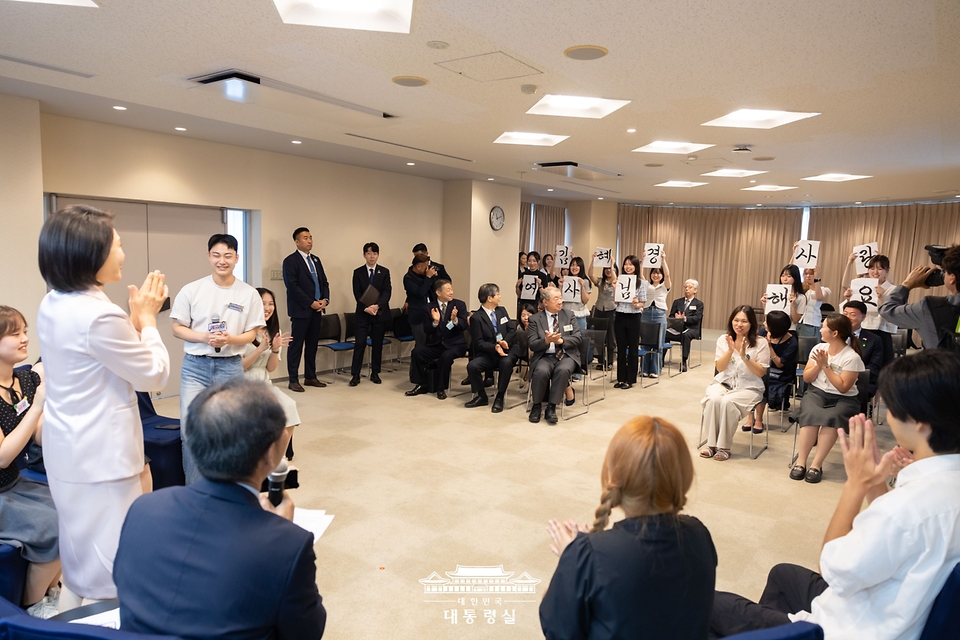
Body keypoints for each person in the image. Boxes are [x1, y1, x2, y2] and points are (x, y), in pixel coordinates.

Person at [710, 350, 960, 640]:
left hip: (849, 627)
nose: (888, 414)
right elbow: (903, 536)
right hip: (895, 608)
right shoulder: (936, 488)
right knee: (783, 575)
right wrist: (877, 484)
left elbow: (833, 570)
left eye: (892, 407)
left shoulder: (906, 508)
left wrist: (855, 485)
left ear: (920, 422)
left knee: (712, 604)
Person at [114, 378, 326, 640]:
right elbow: (307, 632)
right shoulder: (288, 545)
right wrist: (279, 531)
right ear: (271, 454)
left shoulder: (143, 508)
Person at [36, 205, 170, 608]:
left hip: (69, 452)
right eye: (118, 245)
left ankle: (65, 628)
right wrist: (147, 320)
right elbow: (153, 375)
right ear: (89, 255)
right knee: (112, 573)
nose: (123, 254)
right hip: (101, 459)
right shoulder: (97, 314)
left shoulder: (54, 302)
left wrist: (130, 322)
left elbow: (99, 360)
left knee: (79, 563)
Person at [539, 416, 717, 640]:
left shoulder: (589, 556)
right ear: (684, 476)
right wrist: (581, 555)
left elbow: (558, 630)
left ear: (615, 477)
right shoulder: (699, 534)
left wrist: (571, 559)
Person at [171, 233, 264, 485]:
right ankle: (195, 490)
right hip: (195, 367)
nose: (222, 261)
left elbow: (252, 333)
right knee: (190, 430)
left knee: (231, 430)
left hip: (230, 367)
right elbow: (177, 328)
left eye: (227, 255)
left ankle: (227, 489)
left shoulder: (248, 293)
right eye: (216, 255)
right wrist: (203, 337)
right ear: (208, 256)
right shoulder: (192, 289)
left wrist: (229, 340)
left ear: (236, 258)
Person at [0, 307, 60, 618]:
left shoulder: (24, 378)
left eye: (25, 331)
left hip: (14, 483)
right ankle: (32, 606)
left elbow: (36, 437)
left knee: (73, 511)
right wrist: (38, 407)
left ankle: (52, 591)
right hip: (1, 490)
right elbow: (4, 456)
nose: (25, 339)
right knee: (53, 525)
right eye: (15, 334)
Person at [789, 314, 865, 484]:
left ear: (835, 333)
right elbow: (807, 379)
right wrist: (818, 364)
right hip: (816, 392)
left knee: (832, 418)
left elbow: (843, 387)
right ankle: (801, 461)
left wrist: (826, 366)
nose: (821, 329)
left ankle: (816, 464)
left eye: (824, 327)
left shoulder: (852, 357)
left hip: (844, 398)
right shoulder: (818, 348)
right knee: (810, 414)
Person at [700, 306, 771, 461]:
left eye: (744, 321)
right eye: (736, 320)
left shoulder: (761, 343)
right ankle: (711, 444)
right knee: (713, 399)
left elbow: (760, 373)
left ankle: (724, 447)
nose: (739, 324)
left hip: (749, 387)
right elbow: (720, 368)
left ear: (751, 323)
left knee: (727, 402)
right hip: (724, 383)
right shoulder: (723, 340)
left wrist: (745, 356)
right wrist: (730, 351)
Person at [242, 288, 298, 459]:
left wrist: (275, 350)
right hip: (242, 384)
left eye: (271, 304)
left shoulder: (272, 331)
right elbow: (239, 367)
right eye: (262, 303)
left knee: (289, 406)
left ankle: (277, 459)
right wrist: (260, 350)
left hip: (264, 383)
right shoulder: (242, 331)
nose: (267, 308)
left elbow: (271, 368)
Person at [879, 245, 960, 351]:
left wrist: (907, 285)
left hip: (942, 366)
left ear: (952, 278)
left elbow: (887, 311)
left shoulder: (930, 308)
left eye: (945, 272)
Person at [281, 227, 329, 393]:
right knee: (296, 346)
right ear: (297, 241)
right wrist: (310, 303)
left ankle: (310, 376)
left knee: (312, 345)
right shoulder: (290, 261)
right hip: (301, 311)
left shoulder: (316, 260)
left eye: (310, 237)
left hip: (317, 310)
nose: (309, 241)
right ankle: (293, 379)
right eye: (305, 238)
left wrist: (324, 300)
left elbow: (324, 282)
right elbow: (292, 287)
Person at [406, 280, 468, 400]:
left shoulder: (459, 305)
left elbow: (464, 325)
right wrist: (435, 322)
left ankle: (441, 388)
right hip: (437, 344)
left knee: (446, 357)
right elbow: (427, 330)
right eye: (448, 290)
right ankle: (421, 384)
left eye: (452, 289)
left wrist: (455, 320)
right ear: (438, 292)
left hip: (455, 345)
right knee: (417, 352)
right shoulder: (428, 308)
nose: (451, 292)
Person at [528, 287, 582, 425]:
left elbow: (578, 337)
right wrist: (546, 341)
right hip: (545, 356)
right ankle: (537, 406)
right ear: (545, 302)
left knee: (562, 370)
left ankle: (551, 407)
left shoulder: (569, 315)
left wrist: (561, 341)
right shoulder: (535, 319)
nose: (560, 301)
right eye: (556, 299)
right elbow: (532, 344)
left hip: (566, 355)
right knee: (541, 371)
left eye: (561, 298)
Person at [464, 284, 516, 412]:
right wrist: (495, 347)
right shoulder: (477, 317)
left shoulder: (501, 310)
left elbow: (512, 330)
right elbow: (478, 342)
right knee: (473, 366)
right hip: (490, 353)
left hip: (507, 350)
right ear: (489, 298)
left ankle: (500, 396)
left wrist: (505, 342)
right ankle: (481, 396)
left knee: (506, 363)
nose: (500, 297)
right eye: (498, 294)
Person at [744, 310, 798, 434]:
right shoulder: (763, 332)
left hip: (780, 373)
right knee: (749, 379)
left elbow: (780, 364)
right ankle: (750, 418)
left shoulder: (791, 342)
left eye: (767, 323)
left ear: (775, 327)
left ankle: (758, 419)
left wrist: (768, 346)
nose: (764, 324)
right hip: (762, 367)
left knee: (762, 383)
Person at [842, 253, 898, 365]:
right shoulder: (861, 285)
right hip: (863, 329)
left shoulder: (892, 289)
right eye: (872, 268)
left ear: (886, 271)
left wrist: (882, 298)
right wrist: (848, 299)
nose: (875, 272)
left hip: (882, 331)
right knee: (862, 363)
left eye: (880, 268)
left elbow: (892, 314)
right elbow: (853, 309)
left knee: (882, 365)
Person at [349, 242, 392, 386]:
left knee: (377, 344)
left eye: (374, 253)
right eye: (368, 253)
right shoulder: (358, 272)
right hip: (363, 313)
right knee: (360, 343)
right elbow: (357, 293)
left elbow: (387, 291)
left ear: (378, 255)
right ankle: (355, 374)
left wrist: (377, 306)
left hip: (379, 314)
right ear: (364, 255)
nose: (372, 256)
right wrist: (366, 307)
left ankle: (375, 372)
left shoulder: (384, 272)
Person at [613, 255, 647, 390]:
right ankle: (621, 378)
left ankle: (631, 379)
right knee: (621, 348)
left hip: (634, 317)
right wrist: (615, 288)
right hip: (620, 315)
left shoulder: (641, 283)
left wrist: (636, 304)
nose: (628, 267)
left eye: (631, 264)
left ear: (636, 267)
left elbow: (642, 303)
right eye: (626, 264)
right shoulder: (620, 280)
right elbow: (615, 302)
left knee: (633, 349)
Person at [841, 300, 884, 400]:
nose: (847, 318)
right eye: (845, 314)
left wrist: (851, 375)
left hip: (861, 381)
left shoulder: (874, 340)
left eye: (852, 315)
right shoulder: (835, 335)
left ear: (863, 317)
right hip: (835, 377)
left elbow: (874, 367)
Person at [641, 252, 672, 378]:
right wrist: (643, 260)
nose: (656, 275)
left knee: (658, 343)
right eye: (654, 272)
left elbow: (668, 274)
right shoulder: (646, 284)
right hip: (646, 313)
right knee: (645, 343)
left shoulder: (665, 286)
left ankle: (655, 370)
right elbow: (640, 275)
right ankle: (644, 368)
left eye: (658, 273)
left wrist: (663, 260)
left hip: (659, 314)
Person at [667, 279, 703, 372]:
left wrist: (685, 319)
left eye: (690, 287)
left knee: (686, 335)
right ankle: (660, 359)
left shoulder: (699, 304)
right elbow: (671, 316)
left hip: (692, 328)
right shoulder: (677, 302)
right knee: (664, 333)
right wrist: (676, 319)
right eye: (685, 287)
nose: (687, 289)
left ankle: (683, 361)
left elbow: (697, 318)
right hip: (678, 328)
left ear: (695, 290)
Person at [588, 259, 618, 370]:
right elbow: (590, 274)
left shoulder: (616, 282)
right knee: (599, 337)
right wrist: (593, 260)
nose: (608, 271)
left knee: (611, 337)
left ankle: (610, 362)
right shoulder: (601, 282)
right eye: (606, 269)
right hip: (599, 310)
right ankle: (601, 360)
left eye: (609, 269)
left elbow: (614, 278)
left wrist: (611, 264)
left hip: (611, 310)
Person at [403, 254, 436, 351]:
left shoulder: (424, 276)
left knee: (430, 342)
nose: (427, 269)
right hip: (417, 316)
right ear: (418, 266)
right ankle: (416, 365)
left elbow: (433, 290)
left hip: (429, 313)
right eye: (425, 267)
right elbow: (420, 292)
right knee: (421, 343)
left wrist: (433, 277)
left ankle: (428, 365)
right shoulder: (408, 278)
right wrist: (428, 278)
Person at [761, 264, 806, 331]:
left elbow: (796, 320)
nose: (785, 279)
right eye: (782, 276)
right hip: (773, 329)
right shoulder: (774, 293)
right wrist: (765, 305)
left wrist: (792, 305)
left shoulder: (801, 297)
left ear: (795, 278)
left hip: (790, 330)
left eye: (789, 276)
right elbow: (768, 316)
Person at [797, 260, 831, 339]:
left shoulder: (824, 289)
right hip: (798, 322)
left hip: (812, 323)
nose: (808, 276)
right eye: (806, 274)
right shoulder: (800, 288)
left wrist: (817, 279)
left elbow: (819, 297)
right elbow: (791, 275)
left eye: (811, 274)